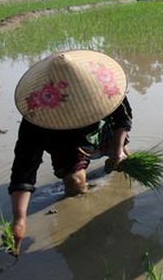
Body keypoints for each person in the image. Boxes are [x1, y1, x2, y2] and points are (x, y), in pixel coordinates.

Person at [8, 50, 132, 255]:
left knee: (121, 161)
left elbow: (123, 120)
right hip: (63, 143)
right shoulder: (38, 116)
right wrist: (19, 220)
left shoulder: (104, 87)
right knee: (75, 183)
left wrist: (118, 150)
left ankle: (116, 157)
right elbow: (24, 167)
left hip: (102, 131)